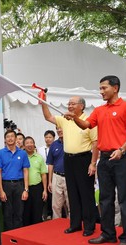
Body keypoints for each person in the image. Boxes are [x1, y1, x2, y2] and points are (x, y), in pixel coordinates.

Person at [65, 75, 126, 245]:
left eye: (104, 88)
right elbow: (86, 125)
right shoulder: (99, 110)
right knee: (105, 199)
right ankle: (108, 233)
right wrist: (74, 117)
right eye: (100, 88)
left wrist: (121, 150)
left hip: (122, 158)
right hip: (104, 160)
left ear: (115, 88)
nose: (101, 92)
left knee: (125, 200)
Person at [42, 94, 98, 237]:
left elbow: (95, 143)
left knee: (85, 194)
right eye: (69, 103)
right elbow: (48, 117)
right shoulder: (65, 119)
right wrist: (43, 102)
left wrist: (93, 163)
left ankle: (89, 226)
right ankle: (75, 224)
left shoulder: (89, 120)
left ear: (81, 106)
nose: (70, 106)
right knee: (72, 193)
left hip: (83, 159)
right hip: (69, 159)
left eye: (73, 104)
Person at [0, 130, 30, 231]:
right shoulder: (0, 153)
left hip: (19, 184)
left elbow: (26, 171)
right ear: (5, 140)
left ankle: (18, 236)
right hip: (6, 185)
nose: (10, 138)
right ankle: (8, 239)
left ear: (15, 138)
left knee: (19, 212)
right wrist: (1, 190)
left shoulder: (22, 153)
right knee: (7, 213)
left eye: (12, 136)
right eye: (8, 137)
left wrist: (26, 189)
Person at [22, 136, 48, 225]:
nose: (29, 144)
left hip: (37, 188)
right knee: (26, 213)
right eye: (27, 143)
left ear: (34, 144)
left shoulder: (39, 157)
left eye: (31, 142)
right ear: (24, 146)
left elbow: (43, 174)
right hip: (24, 189)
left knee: (37, 212)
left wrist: (44, 190)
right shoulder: (21, 157)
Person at [46, 127, 69, 219]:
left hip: (70, 177)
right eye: (57, 128)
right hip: (56, 176)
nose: (59, 130)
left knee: (70, 204)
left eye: (61, 128)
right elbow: (50, 163)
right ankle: (56, 226)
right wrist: (50, 181)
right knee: (56, 205)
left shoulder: (72, 143)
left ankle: (72, 225)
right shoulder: (54, 145)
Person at [37, 130, 56, 221]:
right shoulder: (40, 149)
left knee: (53, 193)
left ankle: (53, 213)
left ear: (53, 138)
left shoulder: (57, 147)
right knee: (44, 193)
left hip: (54, 173)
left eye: (50, 137)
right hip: (43, 173)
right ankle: (46, 213)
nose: (48, 139)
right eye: (46, 137)